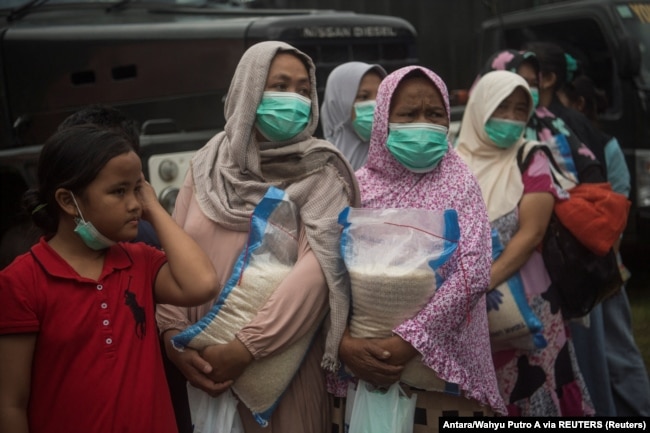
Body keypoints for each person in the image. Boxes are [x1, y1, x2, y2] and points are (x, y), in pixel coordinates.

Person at [155, 41, 359, 433]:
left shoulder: (322, 174)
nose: (294, 100)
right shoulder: (207, 164)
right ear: (247, 89)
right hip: (197, 363)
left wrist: (244, 348)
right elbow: (173, 249)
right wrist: (172, 337)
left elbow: (318, 273)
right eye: (279, 85)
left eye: (303, 90)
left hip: (282, 373)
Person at [0, 124, 220, 433]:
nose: (134, 203)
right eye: (119, 191)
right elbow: (10, 403)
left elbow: (202, 284)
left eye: (137, 189)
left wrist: (154, 208)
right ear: (67, 200)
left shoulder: (140, 261)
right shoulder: (21, 282)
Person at [328, 65, 507, 432]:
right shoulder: (356, 188)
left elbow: (473, 273)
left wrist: (409, 341)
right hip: (361, 369)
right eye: (409, 115)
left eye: (435, 114)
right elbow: (329, 272)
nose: (423, 125)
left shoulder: (460, 184)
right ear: (383, 122)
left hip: (444, 376)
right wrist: (343, 343)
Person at [456, 70, 594, 416]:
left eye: (521, 110)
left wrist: (482, 282)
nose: (513, 119)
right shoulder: (451, 161)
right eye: (504, 108)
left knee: (535, 388)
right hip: (468, 307)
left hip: (529, 301)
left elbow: (531, 233)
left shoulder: (532, 156)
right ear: (481, 107)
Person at [560, 75, 650, 416]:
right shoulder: (601, 144)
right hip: (602, 263)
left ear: (579, 106)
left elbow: (616, 214)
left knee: (618, 353)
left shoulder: (597, 146)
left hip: (603, 266)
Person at [477, 48, 605, 185]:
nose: (529, 89)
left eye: (534, 84)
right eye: (522, 81)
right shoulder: (473, 133)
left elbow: (590, 170)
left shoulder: (551, 126)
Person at [320, 61, 387, 170]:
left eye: (381, 96)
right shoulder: (316, 169)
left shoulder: (400, 161)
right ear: (339, 105)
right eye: (364, 97)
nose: (377, 106)